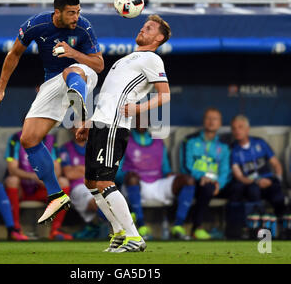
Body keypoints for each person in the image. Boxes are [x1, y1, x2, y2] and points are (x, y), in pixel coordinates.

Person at [0, 0, 104, 226]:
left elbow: (99, 64)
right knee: (28, 138)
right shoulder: (36, 24)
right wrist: (1, 87)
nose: (76, 16)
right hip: (53, 82)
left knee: (71, 71)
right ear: (58, 12)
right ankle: (56, 195)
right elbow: (14, 54)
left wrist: (73, 54)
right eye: (72, 12)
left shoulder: (83, 27)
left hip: (82, 73)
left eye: (78, 11)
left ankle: (82, 113)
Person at [75, 14, 172, 253]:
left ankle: (134, 237)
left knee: (106, 181)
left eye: (148, 28)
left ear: (158, 38)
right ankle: (118, 232)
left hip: (114, 125)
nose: (143, 29)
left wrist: (139, 108)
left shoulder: (152, 59)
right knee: (91, 183)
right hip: (101, 122)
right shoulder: (126, 59)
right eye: (143, 25)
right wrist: (90, 121)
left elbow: (165, 94)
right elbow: (109, 96)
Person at [116, 116, 195, 241]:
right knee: (132, 178)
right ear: (132, 121)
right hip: (135, 186)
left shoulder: (158, 141)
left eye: (144, 119)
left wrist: (169, 174)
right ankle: (141, 227)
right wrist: (128, 175)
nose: (141, 122)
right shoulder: (124, 140)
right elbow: (117, 171)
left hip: (158, 184)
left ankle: (178, 226)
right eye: (138, 118)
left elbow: (166, 169)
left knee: (188, 180)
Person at [4, 131, 72, 240]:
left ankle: (55, 230)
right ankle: (15, 229)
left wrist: (47, 180)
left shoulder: (50, 140)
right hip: (22, 189)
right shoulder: (16, 139)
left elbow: (58, 169)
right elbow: (12, 170)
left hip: (41, 189)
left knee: (63, 182)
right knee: (12, 180)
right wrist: (34, 176)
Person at [180, 108, 230, 240]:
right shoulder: (190, 141)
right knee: (207, 187)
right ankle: (197, 228)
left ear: (220, 123)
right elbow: (186, 165)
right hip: (196, 181)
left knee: (237, 188)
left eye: (215, 119)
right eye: (208, 118)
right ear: (203, 121)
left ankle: (234, 231)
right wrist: (201, 176)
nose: (211, 121)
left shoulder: (224, 146)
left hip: (216, 184)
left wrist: (219, 183)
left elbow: (225, 170)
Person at [229, 115, 286, 219]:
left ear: (247, 129)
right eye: (234, 128)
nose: (237, 131)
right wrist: (256, 181)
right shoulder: (232, 149)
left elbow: (276, 164)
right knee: (252, 190)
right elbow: (239, 176)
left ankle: (281, 225)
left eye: (240, 127)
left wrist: (277, 180)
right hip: (250, 182)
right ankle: (258, 227)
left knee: (278, 194)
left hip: (268, 179)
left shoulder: (260, 142)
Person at [58, 128, 103, 239]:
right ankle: (100, 227)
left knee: (108, 197)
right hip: (77, 186)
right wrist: (88, 170)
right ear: (73, 130)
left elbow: (100, 171)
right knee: (96, 202)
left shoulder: (95, 148)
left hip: (95, 183)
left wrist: (79, 169)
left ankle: (95, 227)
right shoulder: (65, 149)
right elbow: (69, 174)